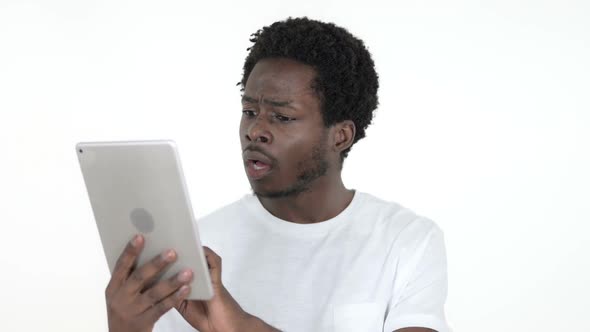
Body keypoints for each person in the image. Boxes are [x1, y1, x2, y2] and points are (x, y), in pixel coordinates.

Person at [105, 17, 449, 332]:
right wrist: (126, 328)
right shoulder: (193, 251)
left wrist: (239, 326)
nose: (255, 130)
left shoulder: (405, 242)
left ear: (340, 135)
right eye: (250, 111)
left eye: (282, 117)